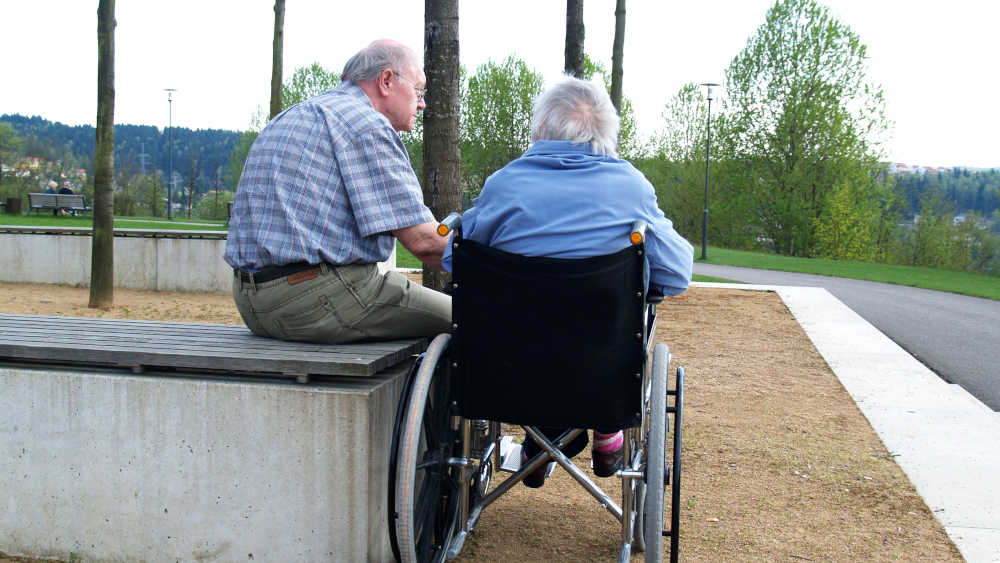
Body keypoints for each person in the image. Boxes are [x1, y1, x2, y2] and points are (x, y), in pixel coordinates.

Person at [442, 76, 694, 486]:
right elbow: (677, 274)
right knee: (621, 316)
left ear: (540, 129)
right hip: (602, 368)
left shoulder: (503, 185)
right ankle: (607, 431)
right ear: (607, 131)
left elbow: (458, 259)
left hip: (506, 371)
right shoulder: (630, 186)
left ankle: (541, 440)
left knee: (528, 326)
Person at [224, 39, 450, 345]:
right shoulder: (366, 124)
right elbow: (424, 242)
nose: (422, 103)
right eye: (419, 91)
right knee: (474, 317)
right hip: (314, 299)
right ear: (386, 81)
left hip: (251, 303)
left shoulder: (295, 115)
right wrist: (494, 260)